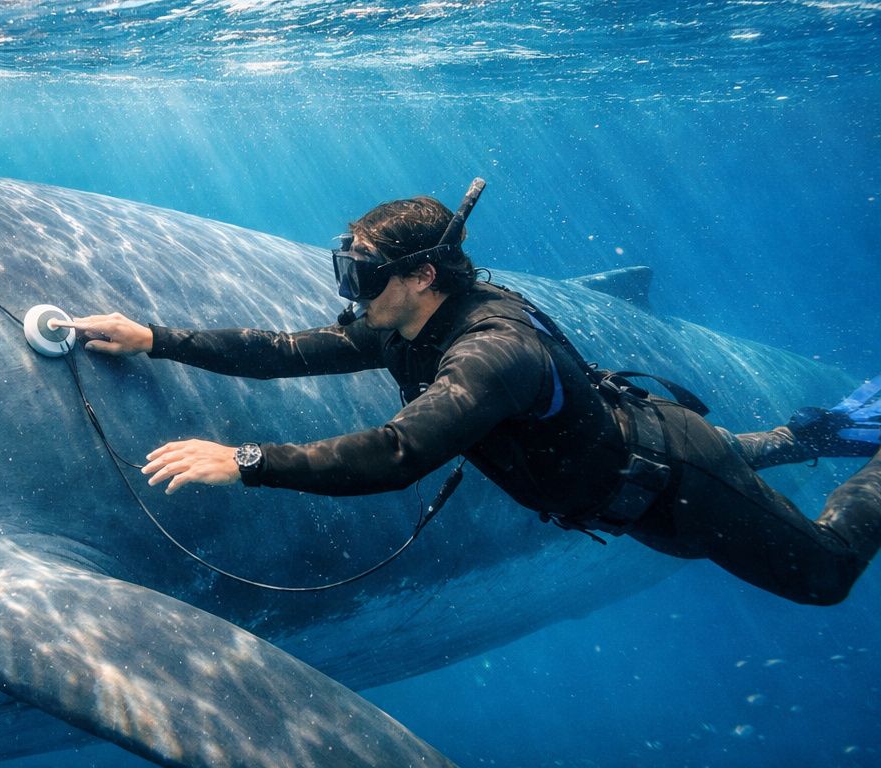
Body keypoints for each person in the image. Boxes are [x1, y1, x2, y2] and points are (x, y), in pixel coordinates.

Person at [59, 190, 881, 606]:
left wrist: (245, 461)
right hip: (631, 480)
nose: (351, 293)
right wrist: (155, 337)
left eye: (363, 276)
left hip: (675, 483)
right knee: (726, 468)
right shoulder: (404, 321)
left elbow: (398, 453)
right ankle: (818, 429)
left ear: (420, 275)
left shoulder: (493, 352)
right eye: (346, 272)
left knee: (826, 576)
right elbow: (282, 353)